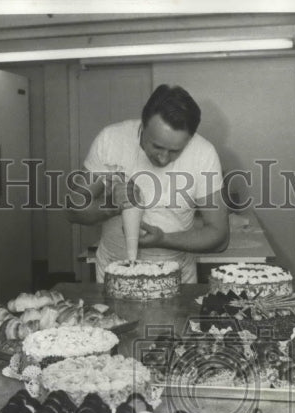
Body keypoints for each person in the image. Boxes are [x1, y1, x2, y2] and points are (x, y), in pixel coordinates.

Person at [67, 84, 229, 282]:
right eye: (157, 146)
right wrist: (109, 206)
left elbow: (219, 237)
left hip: (175, 276)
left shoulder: (203, 154)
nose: (163, 159)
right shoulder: (111, 140)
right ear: (143, 125)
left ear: (190, 139)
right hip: (113, 272)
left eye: (175, 151)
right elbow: (72, 210)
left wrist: (164, 240)